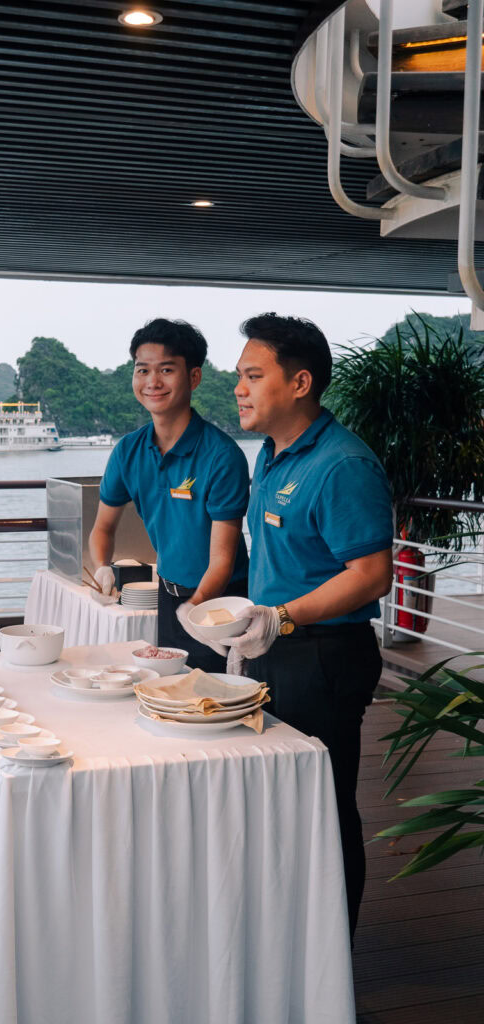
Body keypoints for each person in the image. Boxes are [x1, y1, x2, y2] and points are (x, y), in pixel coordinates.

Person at [222, 312, 393, 940]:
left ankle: (329, 963)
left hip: (325, 655)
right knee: (278, 802)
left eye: (252, 375)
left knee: (321, 806)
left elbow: (371, 575)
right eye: (239, 375)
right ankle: (287, 947)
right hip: (275, 647)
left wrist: (281, 617)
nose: (238, 387)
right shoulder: (271, 454)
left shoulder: (342, 464)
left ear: (299, 383)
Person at [88, 318, 250, 672]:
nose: (152, 382)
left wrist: (196, 607)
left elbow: (222, 559)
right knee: (172, 693)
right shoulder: (128, 451)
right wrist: (102, 567)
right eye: (142, 370)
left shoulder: (221, 456)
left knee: (219, 704)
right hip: (168, 595)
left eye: (166, 370)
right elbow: (102, 529)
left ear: (194, 377)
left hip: (220, 601)